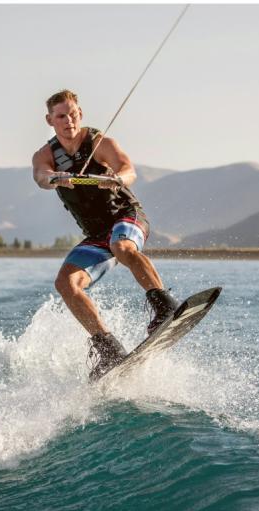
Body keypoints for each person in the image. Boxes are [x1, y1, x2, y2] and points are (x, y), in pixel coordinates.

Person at [32, 89, 179, 380]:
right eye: (61, 116)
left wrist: (116, 179)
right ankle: (108, 347)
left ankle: (165, 306)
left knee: (122, 246)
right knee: (66, 283)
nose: (68, 121)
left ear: (80, 114)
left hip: (127, 216)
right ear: (50, 120)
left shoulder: (99, 142)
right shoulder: (45, 155)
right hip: (97, 234)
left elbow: (128, 168)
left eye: (73, 114)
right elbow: (41, 176)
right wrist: (54, 178)